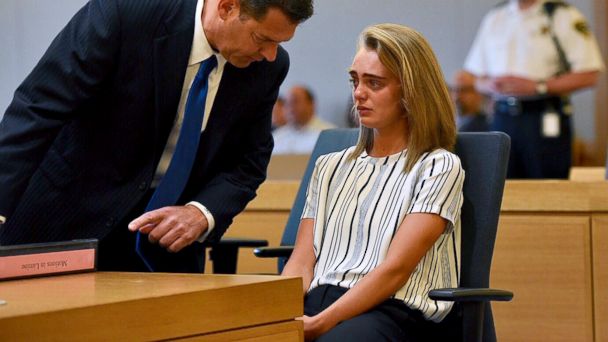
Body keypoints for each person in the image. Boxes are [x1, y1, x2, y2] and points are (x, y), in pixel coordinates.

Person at [0, 0, 313, 273]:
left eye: (279, 44)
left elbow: (248, 165)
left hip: (163, 248)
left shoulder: (267, 68)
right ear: (228, 7)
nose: (271, 55)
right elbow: (37, 109)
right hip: (66, 220)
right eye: (262, 39)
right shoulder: (126, 14)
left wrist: (201, 214)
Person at [282, 24, 465, 341]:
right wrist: (283, 312)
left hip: (388, 310)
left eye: (374, 83)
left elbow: (395, 270)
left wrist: (321, 323)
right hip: (320, 301)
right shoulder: (329, 166)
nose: (358, 93)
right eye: (355, 80)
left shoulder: (437, 166)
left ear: (411, 91)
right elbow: (300, 261)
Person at [464, 0, 604, 179]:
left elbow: (590, 75)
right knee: (501, 186)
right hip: (502, 116)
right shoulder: (495, 17)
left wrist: (538, 86)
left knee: (548, 187)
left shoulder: (562, 15)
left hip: (543, 115)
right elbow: (473, 77)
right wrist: (489, 84)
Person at [272, 85, 335, 154]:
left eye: (295, 101)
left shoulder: (330, 135)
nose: (290, 107)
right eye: (287, 103)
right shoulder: (276, 138)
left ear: (311, 104)